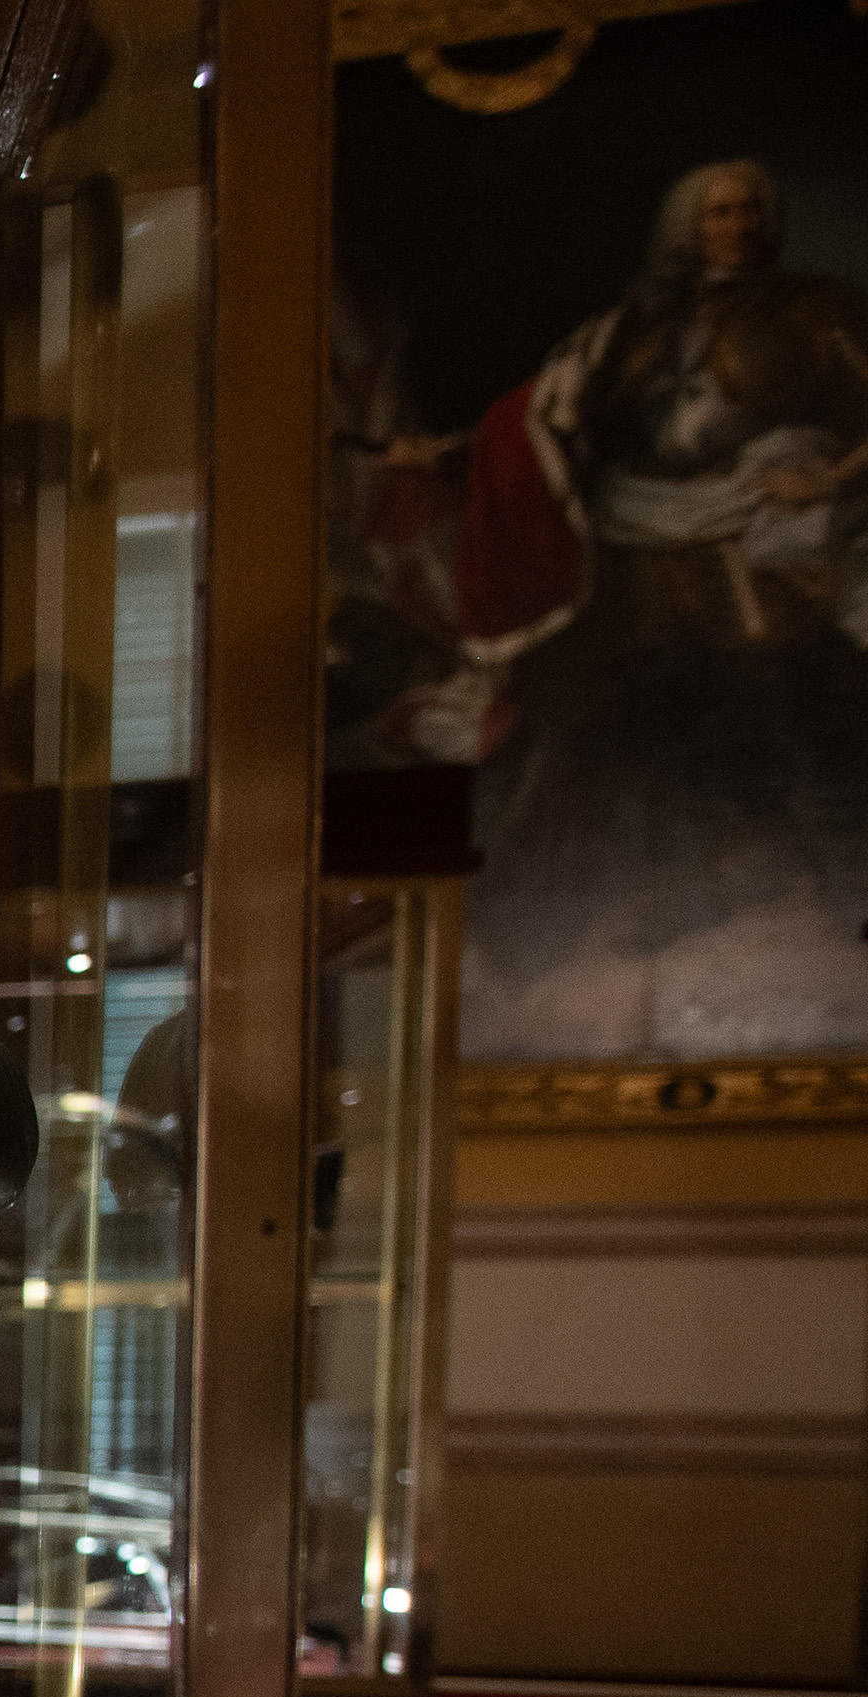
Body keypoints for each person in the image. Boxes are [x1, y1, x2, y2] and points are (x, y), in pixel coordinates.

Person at [368, 159, 868, 1055]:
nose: (738, 224)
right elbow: (547, 421)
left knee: (796, 707)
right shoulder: (631, 331)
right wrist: (444, 452)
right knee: (614, 721)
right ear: (690, 223)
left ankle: (837, 901)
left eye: (753, 208)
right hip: (641, 556)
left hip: (759, 548)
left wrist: (830, 476)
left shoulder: (822, 311)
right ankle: (601, 919)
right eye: (719, 211)